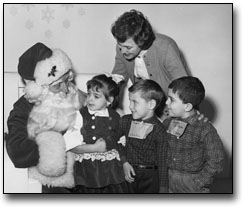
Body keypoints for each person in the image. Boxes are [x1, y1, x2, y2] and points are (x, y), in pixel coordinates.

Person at [5, 43, 105, 193]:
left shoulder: (72, 93)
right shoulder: (23, 109)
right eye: (58, 85)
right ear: (38, 89)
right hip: (57, 179)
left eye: (67, 80)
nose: (66, 89)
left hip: (90, 170)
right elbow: (18, 151)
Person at [111, 9, 188, 117]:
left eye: (128, 47)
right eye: (120, 46)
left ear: (141, 41)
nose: (123, 51)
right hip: (146, 107)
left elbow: (183, 86)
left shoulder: (165, 47)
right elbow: (117, 78)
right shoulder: (122, 48)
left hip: (172, 106)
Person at [163, 76, 224, 193]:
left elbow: (217, 160)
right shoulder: (167, 122)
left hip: (192, 182)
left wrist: (201, 181)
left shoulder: (205, 128)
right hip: (168, 178)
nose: (166, 102)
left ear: (187, 106)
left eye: (172, 99)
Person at [69, 74, 128, 193]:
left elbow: (119, 143)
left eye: (96, 96)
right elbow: (71, 145)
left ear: (109, 100)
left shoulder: (116, 116)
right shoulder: (80, 115)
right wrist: (94, 148)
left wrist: (123, 144)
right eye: (89, 94)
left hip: (111, 170)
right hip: (87, 170)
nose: (90, 99)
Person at [117, 79, 169, 193]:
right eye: (130, 101)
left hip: (150, 178)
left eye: (135, 102)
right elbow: (113, 141)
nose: (130, 106)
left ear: (151, 104)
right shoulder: (125, 121)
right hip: (128, 174)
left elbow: (162, 161)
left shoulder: (159, 130)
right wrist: (124, 162)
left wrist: (163, 188)